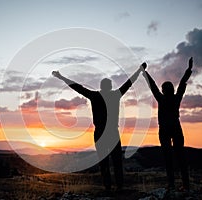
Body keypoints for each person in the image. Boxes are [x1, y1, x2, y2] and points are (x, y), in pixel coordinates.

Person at [52, 63, 146, 191]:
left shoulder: (95, 96)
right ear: (110, 86)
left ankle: (108, 187)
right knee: (117, 161)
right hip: (112, 132)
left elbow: (77, 87)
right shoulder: (115, 95)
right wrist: (139, 70)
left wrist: (61, 77)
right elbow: (129, 83)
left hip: (100, 132)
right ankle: (119, 187)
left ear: (101, 87)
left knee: (104, 163)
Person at [141, 57, 193, 192]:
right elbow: (183, 82)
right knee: (180, 157)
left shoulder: (161, 99)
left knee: (168, 158)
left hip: (164, 130)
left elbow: (152, 86)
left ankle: (172, 185)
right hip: (176, 128)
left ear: (164, 90)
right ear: (172, 89)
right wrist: (188, 70)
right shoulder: (176, 98)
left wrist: (144, 73)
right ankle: (185, 185)